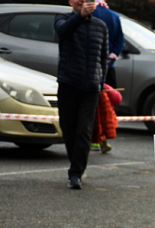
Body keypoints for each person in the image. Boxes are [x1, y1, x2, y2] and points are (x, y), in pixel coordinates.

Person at [55, 0, 108, 190]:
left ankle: (76, 173)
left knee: (84, 131)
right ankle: (75, 163)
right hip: (69, 83)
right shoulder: (63, 19)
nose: (83, 2)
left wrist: (100, 83)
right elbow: (63, 32)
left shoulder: (100, 26)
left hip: (91, 88)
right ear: (71, 1)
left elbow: (104, 57)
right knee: (68, 129)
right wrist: (80, 16)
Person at [91, 0, 123, 89]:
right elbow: (120, 41)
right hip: (108, 64)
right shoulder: (114, 16)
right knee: (109, 96)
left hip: (90, 64)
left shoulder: (87, 13)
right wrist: (113, 55)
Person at [90, 83, 121, 153]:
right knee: (101, 128)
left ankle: (95, 143)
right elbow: (118, 99)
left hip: (92, 112)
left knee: (94, 127)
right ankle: (100, 143)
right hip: (105, 114)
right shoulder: (105, 87)